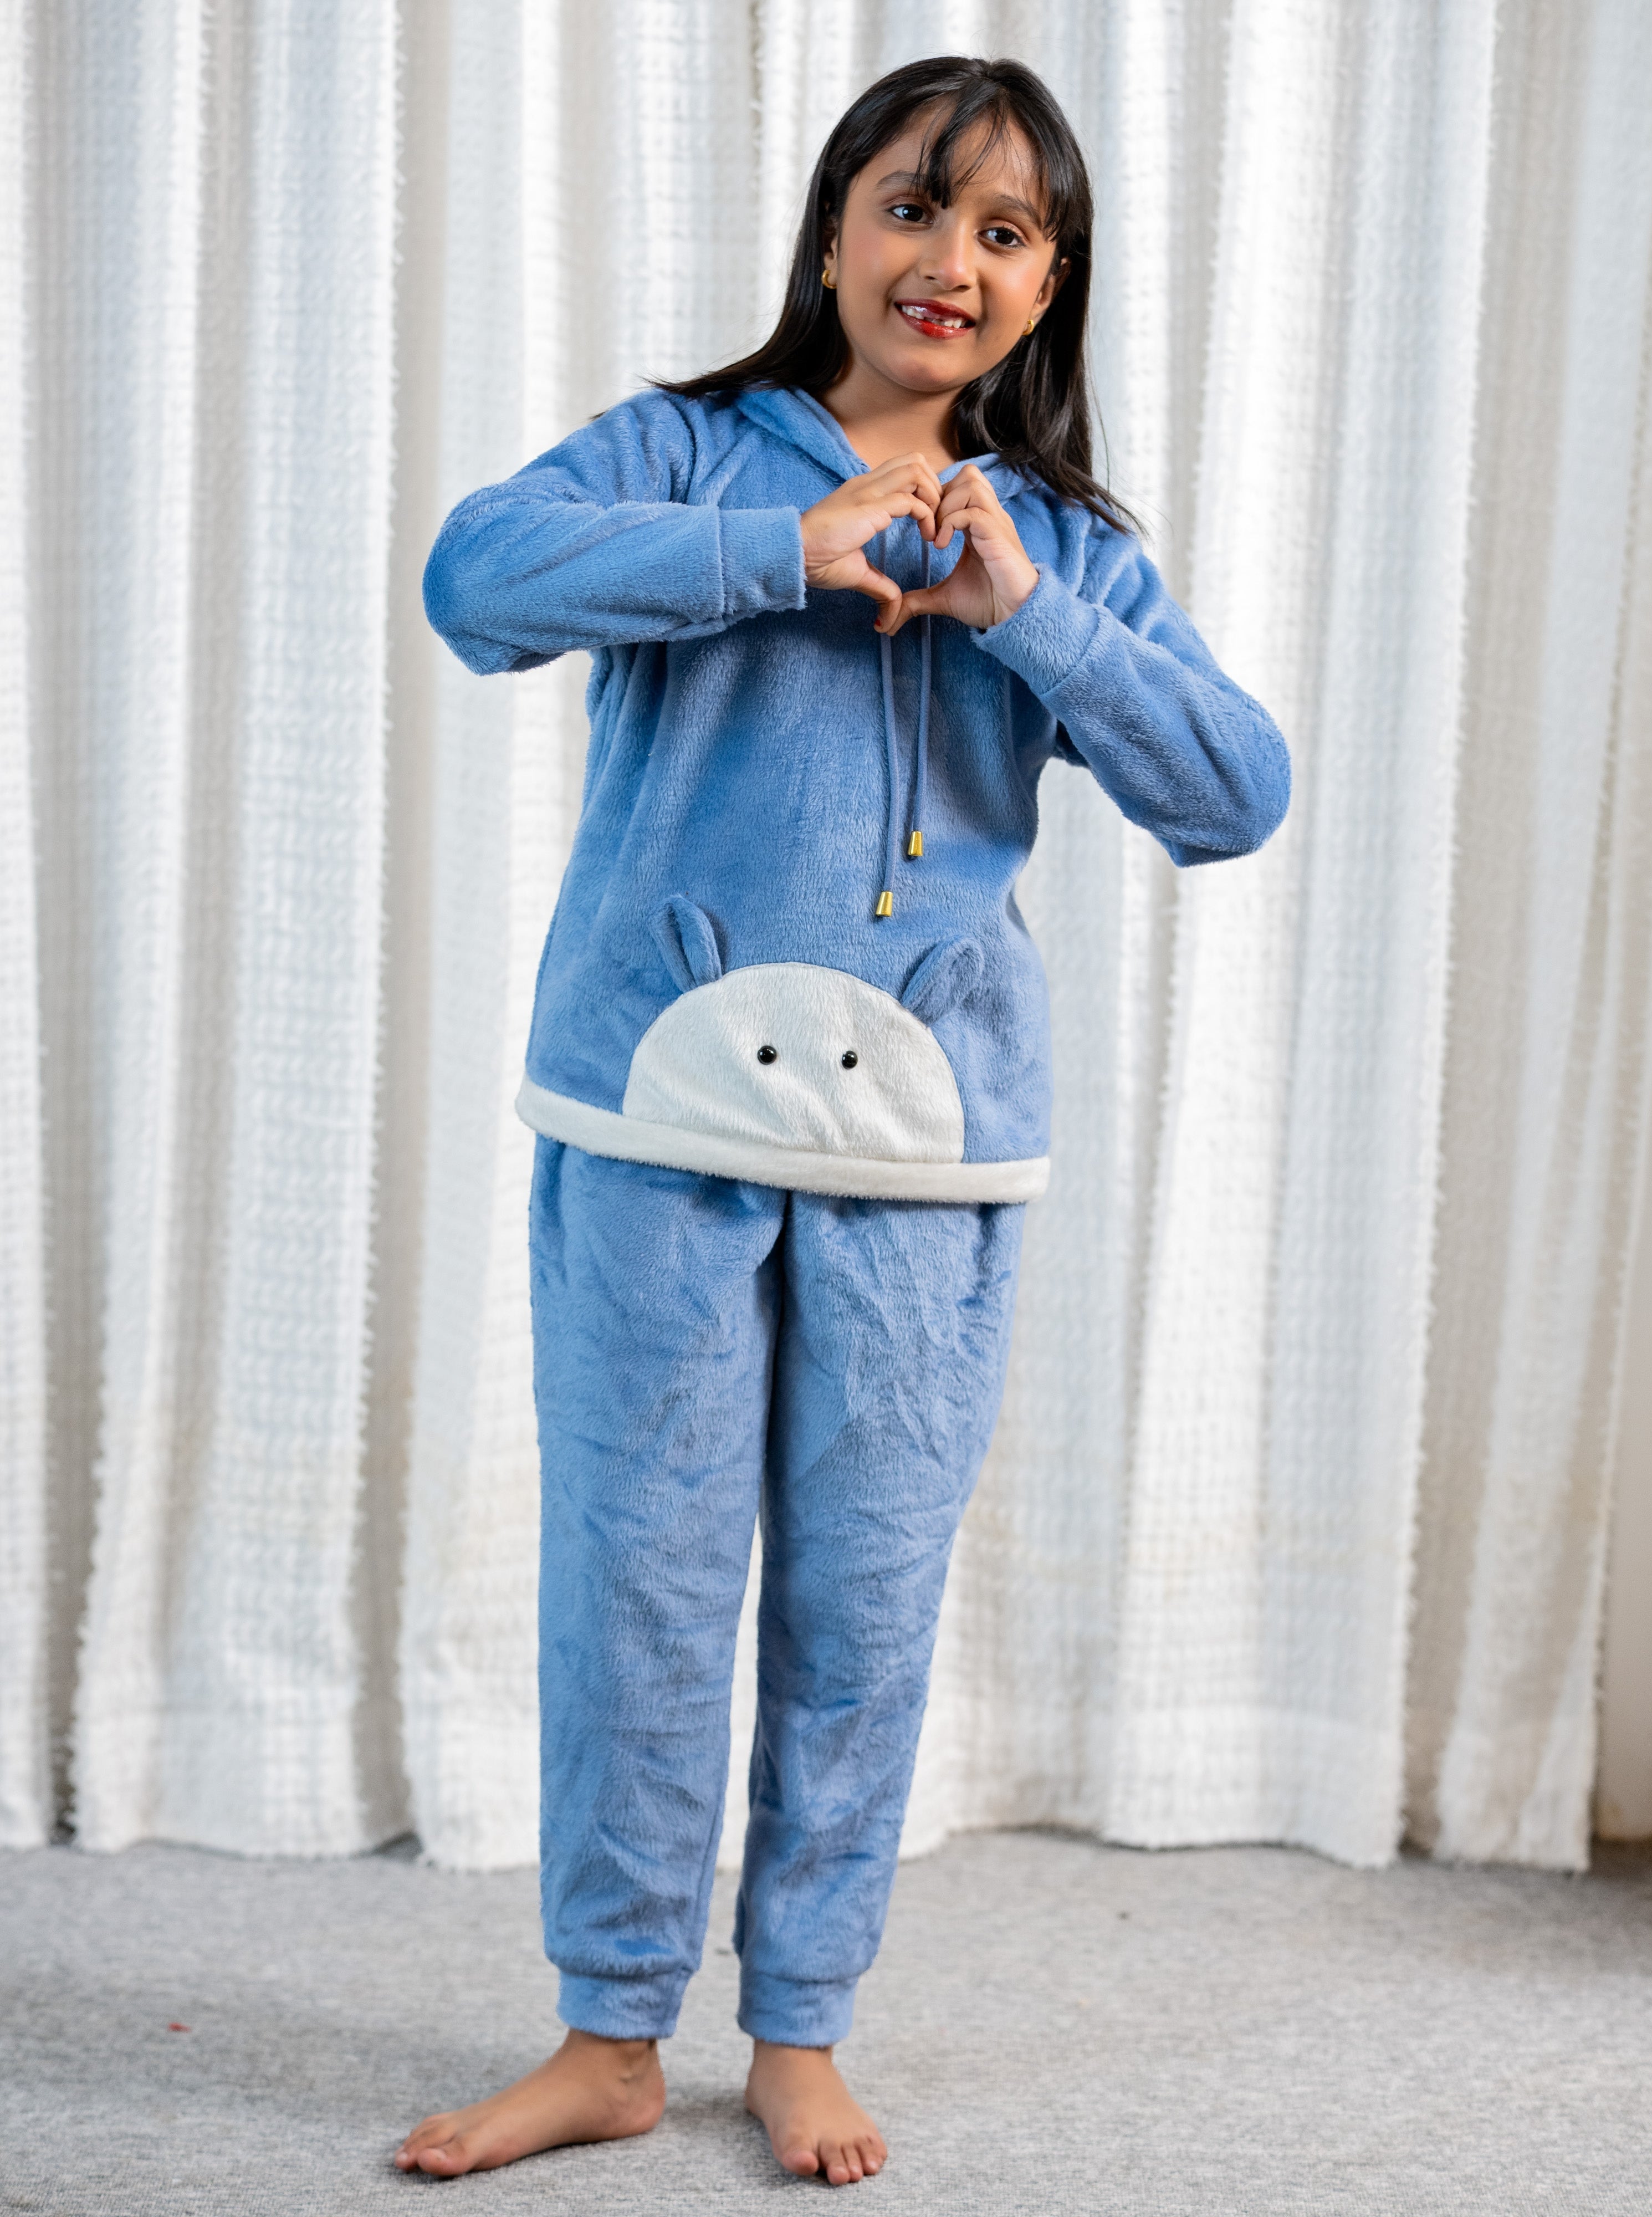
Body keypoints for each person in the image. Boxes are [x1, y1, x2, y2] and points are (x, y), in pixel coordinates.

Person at [398, 52, 1288, 2190]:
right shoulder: (686, 452)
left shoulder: (1059, 544)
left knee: (863, 1605)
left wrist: (1028, 617)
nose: (949, 258)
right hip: (655, 1122)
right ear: (830, 234)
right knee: (640, 1585)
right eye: (913, 204)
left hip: (924, 1163)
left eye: (1006, 231)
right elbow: (476, 580)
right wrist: (769, 550)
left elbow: (1235, 794)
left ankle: (801, 2028)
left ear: (1050, 287)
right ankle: (613, 2034)